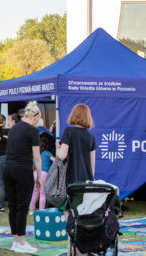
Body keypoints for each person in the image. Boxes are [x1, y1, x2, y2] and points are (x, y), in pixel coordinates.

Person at [57, 103, 96, 256]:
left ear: (74, 115)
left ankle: (70, 252)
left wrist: (58, 146)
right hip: (86, 184)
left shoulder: (69, 131)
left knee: (70, 222)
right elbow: (93, 165)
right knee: (84, 221)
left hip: (71, 183)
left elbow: (62, 155)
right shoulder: (90, 136)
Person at [4, 101, 42, 254]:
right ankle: (21, 241)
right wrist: (39, 176)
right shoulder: (32, 131)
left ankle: (15, 241)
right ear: (36, 116)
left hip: (8, 168)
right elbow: (37, 156)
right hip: (22, 169)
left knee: (13, 206)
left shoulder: (14, 128)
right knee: (22, 206)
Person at [29, 133, 55, 214]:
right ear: (46, 145)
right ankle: (41, 211)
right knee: (42, 193)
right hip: (44, 174)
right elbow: (55, 160)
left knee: (34, 192)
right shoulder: (47, 153)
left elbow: (33, 164)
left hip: (35, 173)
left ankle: (31, 210)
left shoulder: (35, 154)